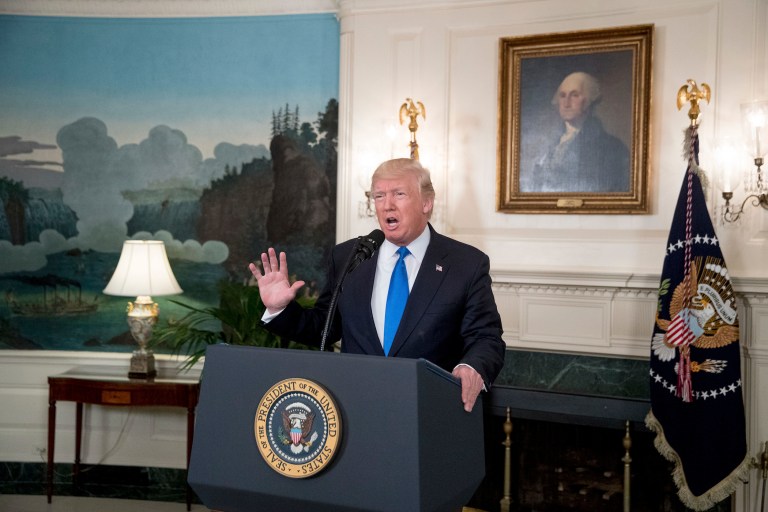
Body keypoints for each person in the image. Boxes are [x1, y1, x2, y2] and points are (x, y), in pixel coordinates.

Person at [249, 158, 505, 412]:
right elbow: (324, 328)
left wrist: (472, 367)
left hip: (429, 409)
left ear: (427, 202)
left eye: (399, 194)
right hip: (354, 407)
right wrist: (280, 309)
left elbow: (485, 337)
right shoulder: (349, 256)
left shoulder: (465, 263)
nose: (387, 205)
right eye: (379, 196)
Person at [520, 71, 630, 193]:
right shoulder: (549, 144)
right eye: (562, 95)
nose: (566, 103)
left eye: (574, 95)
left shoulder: (612, 147)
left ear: (589, 101)